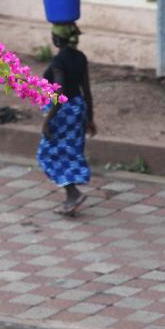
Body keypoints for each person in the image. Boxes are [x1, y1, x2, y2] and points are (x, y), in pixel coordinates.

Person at [37, 23, 97, 216]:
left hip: (61, 112)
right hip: (78, 109)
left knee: (47, 154)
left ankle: (73, 193)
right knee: (70, 152)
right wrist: (89, 118)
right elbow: (86, 91)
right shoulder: (80, 58)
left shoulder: (58, 62)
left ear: (56, 40)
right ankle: (72, 196)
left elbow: (60, 92)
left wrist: (47, 120)